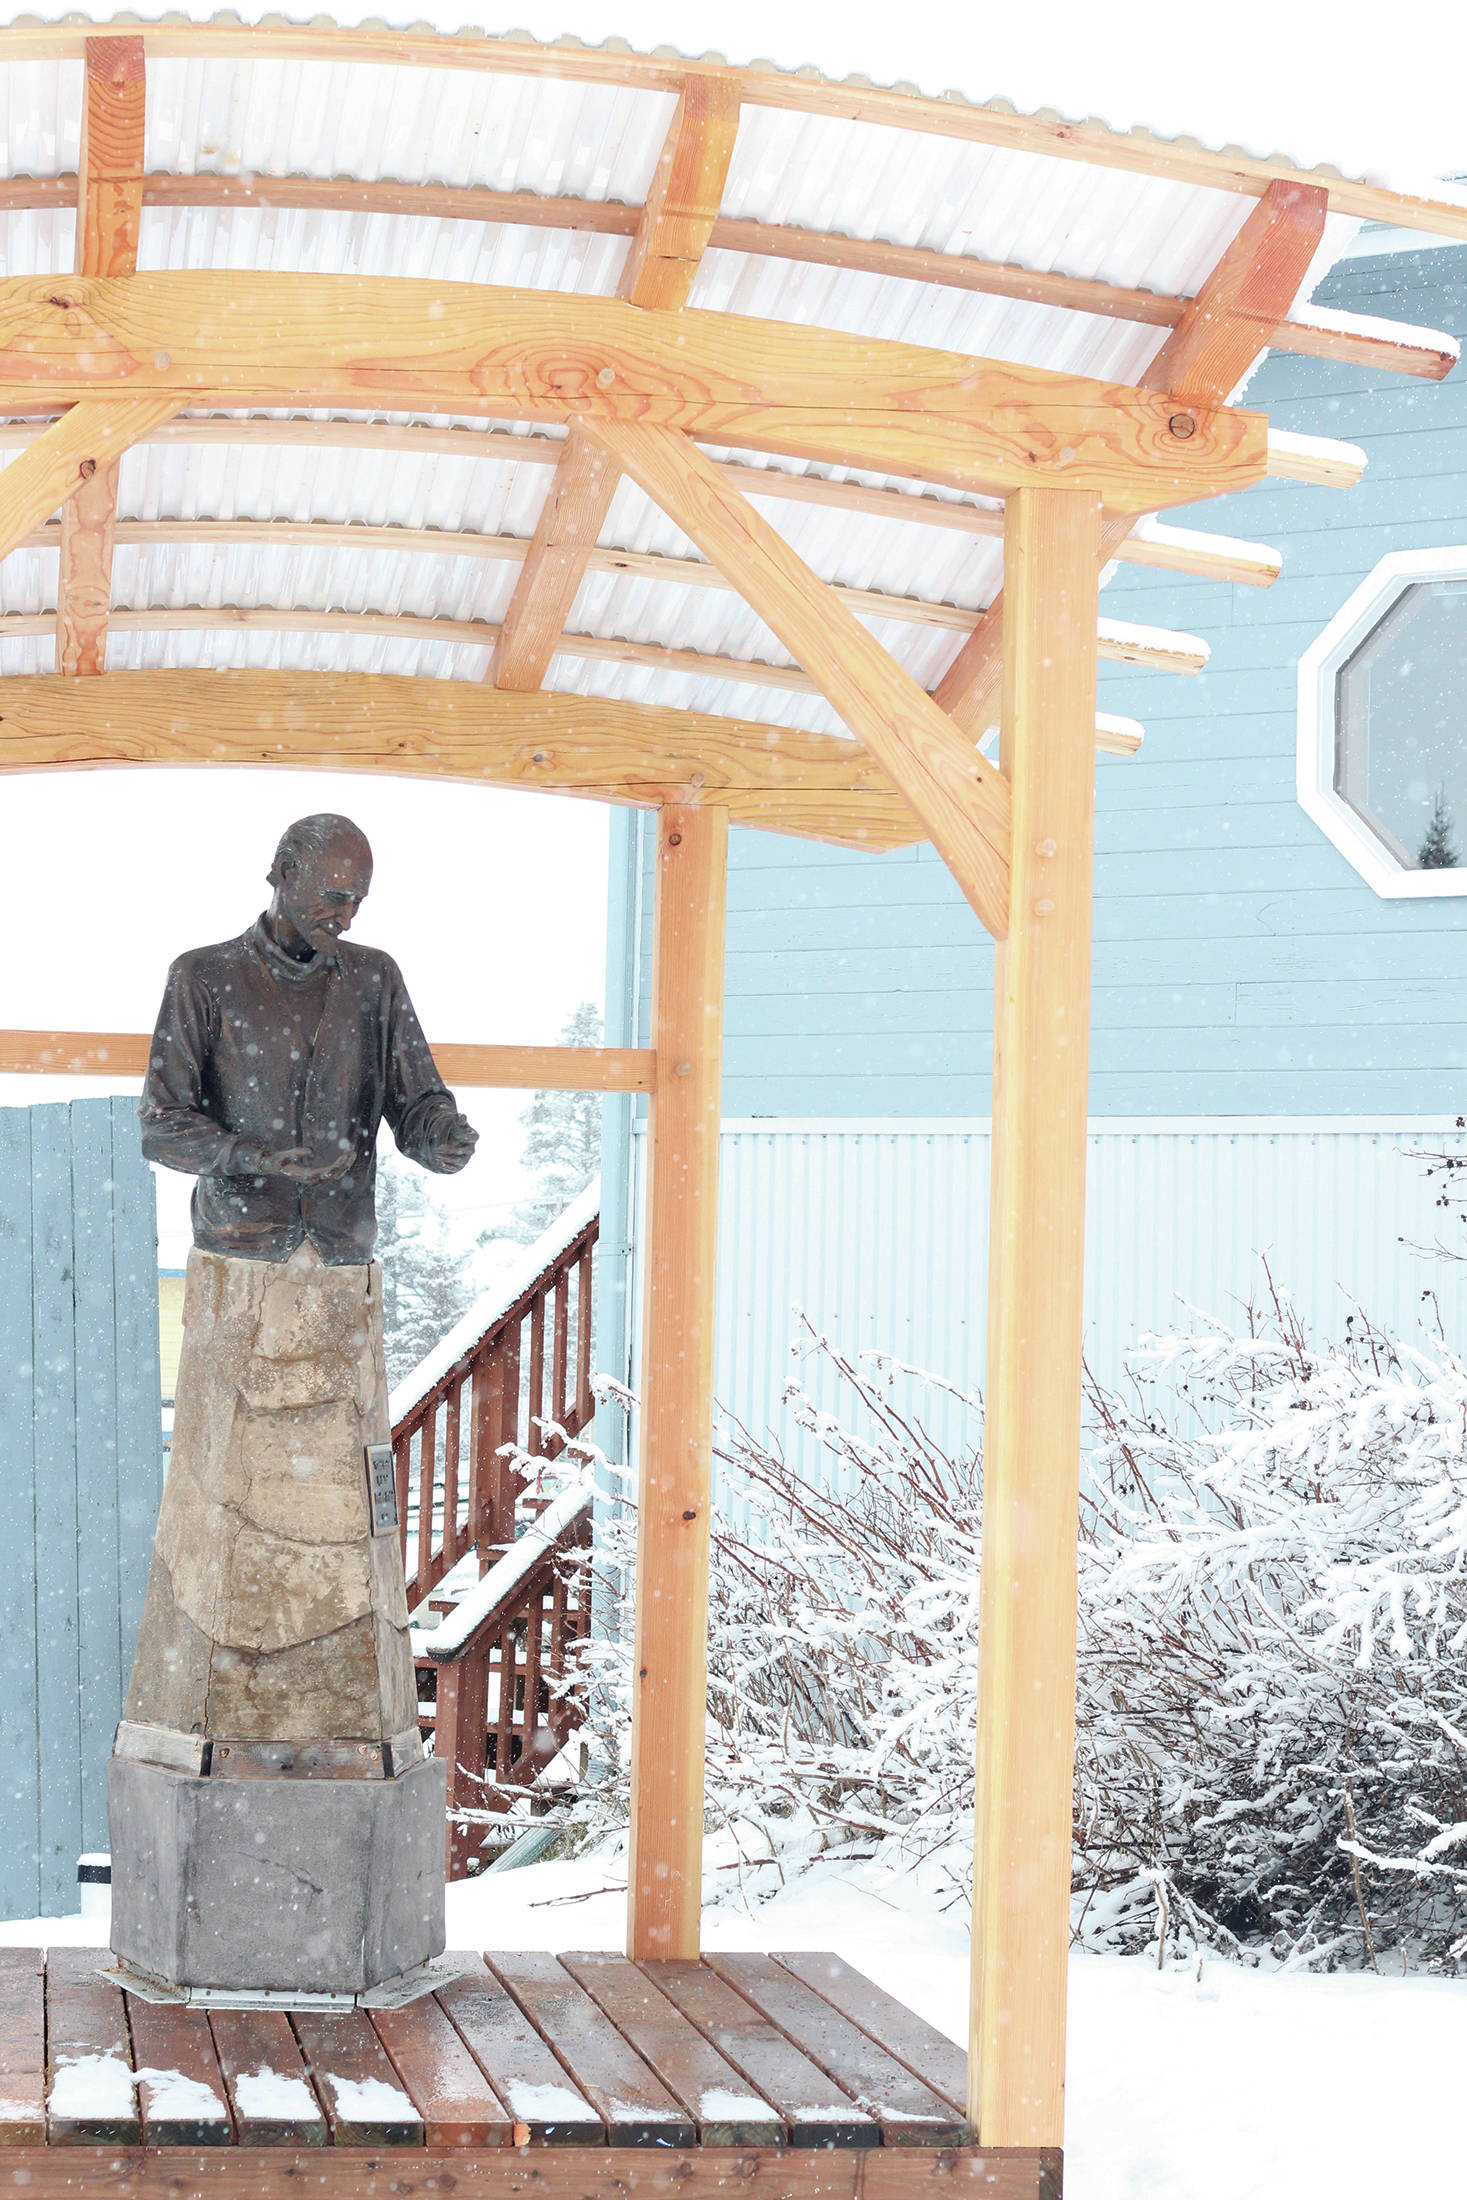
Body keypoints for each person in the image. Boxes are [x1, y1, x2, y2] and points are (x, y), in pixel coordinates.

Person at [139, 811, 476, 1261]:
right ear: (285, 871)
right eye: (335, 897)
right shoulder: (202, 977)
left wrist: (441, 1136)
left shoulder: (374, 980)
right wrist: (251, 1158)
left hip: (344, 1261)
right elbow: (160, 1125)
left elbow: (416, 1103)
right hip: (235, 1258)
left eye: (358, 901)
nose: (347, 918)